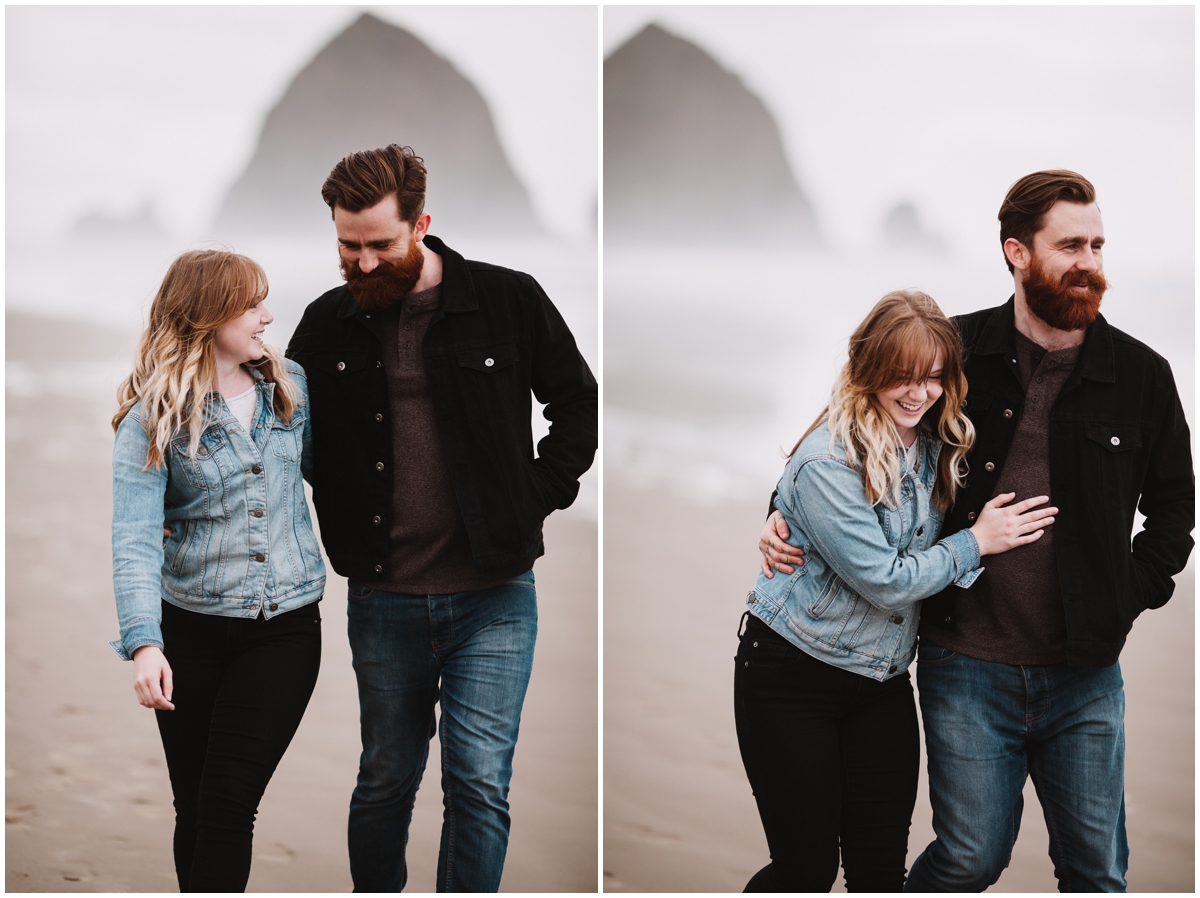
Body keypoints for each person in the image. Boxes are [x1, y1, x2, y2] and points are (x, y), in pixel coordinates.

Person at [760, 171, 1194, 891]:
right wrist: (780, 507)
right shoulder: (953, 353)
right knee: (969, 858)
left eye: (1097, 244)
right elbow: (853, 427)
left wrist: (1127, 595)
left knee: (1097, 871)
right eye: (1071, 246)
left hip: (1085, 673)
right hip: (966, 663)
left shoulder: (1142, 375)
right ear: (1017, 252)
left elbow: (1174, 511)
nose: (1090, 262)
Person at [286, 144, 597, 892]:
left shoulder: (509, 300)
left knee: (479, 784)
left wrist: (536, 494)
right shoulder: (324, 325)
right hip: (382, 594)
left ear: (421, 223)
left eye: (379, 245)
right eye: (346, 246)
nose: (361, 264)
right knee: (386, 779)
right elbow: (277, 437)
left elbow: (576, 404)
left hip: (494, 596)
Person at [737, 290, 1057, 892]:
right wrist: (977, 542)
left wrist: (778, 507)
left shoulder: (938, 439)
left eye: (934, 378)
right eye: (902, 378)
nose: (918, 393)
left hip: (881, 683)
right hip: (791, 676)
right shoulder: (831, 459)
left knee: (879, 873)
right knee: (804, 870)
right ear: (870, 369)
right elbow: (887, 582)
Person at [110, 250, 325, 892]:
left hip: (283, 629)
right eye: (252, 303)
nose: (267, 317)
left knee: (229, 804)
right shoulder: (154, 418)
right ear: (209, 315)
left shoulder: (291, 386)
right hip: (189, 633)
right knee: (195, 807)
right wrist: (144, 643)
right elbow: (133, 538)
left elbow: (338, 478)